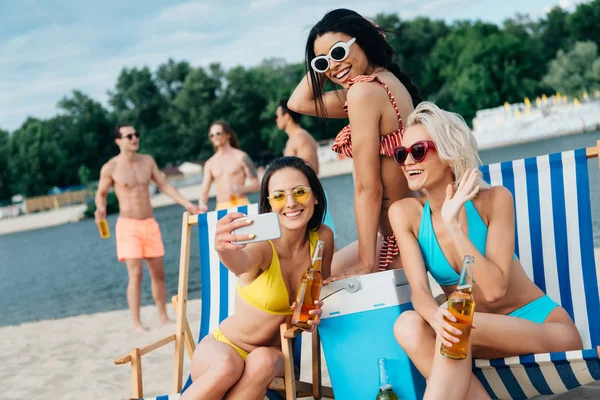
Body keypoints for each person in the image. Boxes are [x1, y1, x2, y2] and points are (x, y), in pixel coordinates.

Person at [389, 102, 583, 399]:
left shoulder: (494, 200)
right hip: (469, 333)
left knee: (459, 324)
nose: (407, 162)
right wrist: (435, 318)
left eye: (418, 151)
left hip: (545, 329)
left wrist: (454, 225)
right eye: (401, 154)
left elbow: (493, 289)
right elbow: (419, 291)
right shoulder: (406, 214)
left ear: (449, 152)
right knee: (407, 325)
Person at [181, 156, 334, 400]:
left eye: (299, 192)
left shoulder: (323, 239)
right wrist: (222, 248)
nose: (291, 203)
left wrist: (317, 311)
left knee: (264, 359)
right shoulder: (263, 246)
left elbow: (324, 288)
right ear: (270, 204)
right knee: (226, 367)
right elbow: (240, 263)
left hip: (275, 355)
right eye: (280, 196)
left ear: (315, 196)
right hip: (223, 349)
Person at [288, 8, 422, 278]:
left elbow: (367, 187)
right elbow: (297, 102)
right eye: (322, 64)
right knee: (321, 273)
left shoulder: (363, 93)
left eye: (338, 53)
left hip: (400, 241)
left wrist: (366, 263)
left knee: (316, 284)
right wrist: (333, 57)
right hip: (410, 228)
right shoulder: (385, 82)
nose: (333, 67)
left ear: (362, 39)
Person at [95, 124, 201, 332]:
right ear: (118, 141)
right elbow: (101, 193)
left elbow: (164, 185)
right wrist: (101, 207)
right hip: (127, 225)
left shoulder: (147, 161)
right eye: (129, 136)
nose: (135, 138)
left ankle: (163, 316)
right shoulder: (111, 167)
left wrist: (186, 203)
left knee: (159, 273)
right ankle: (137, 323)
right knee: (135, 275)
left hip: (149, 223)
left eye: (136, 134)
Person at [276, 98, 338, 243]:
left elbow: (310, 170)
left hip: (308, 196)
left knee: (323, 239)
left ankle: (337, 265)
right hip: (302, 196)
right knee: (314, 241)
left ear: (287, 116)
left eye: (276, 116)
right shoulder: (296, 138)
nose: (276, 120)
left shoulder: (300, 138)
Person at [197, 120, 261, 212]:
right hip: (221, 208)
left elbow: (257, 185)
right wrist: (202, 204)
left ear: (228, 135)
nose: (215, 137)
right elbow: (204, 191)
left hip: (241, 205)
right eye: (212, 135)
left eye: (218, 133)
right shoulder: (210, 163)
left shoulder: (241, 157)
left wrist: (241, 189)